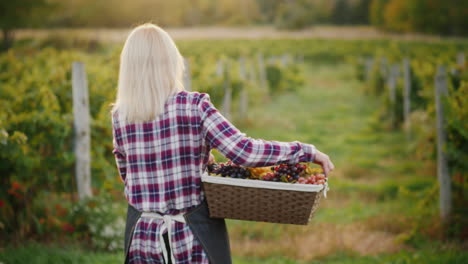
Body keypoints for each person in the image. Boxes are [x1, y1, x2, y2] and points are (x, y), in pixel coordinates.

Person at [111, 23, 334, 264]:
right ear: (171, 62)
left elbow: (128, 176)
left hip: (143, 239)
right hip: (189, 237)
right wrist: (305, 151)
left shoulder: (120, 116)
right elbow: (245, 152)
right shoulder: (193, 106)